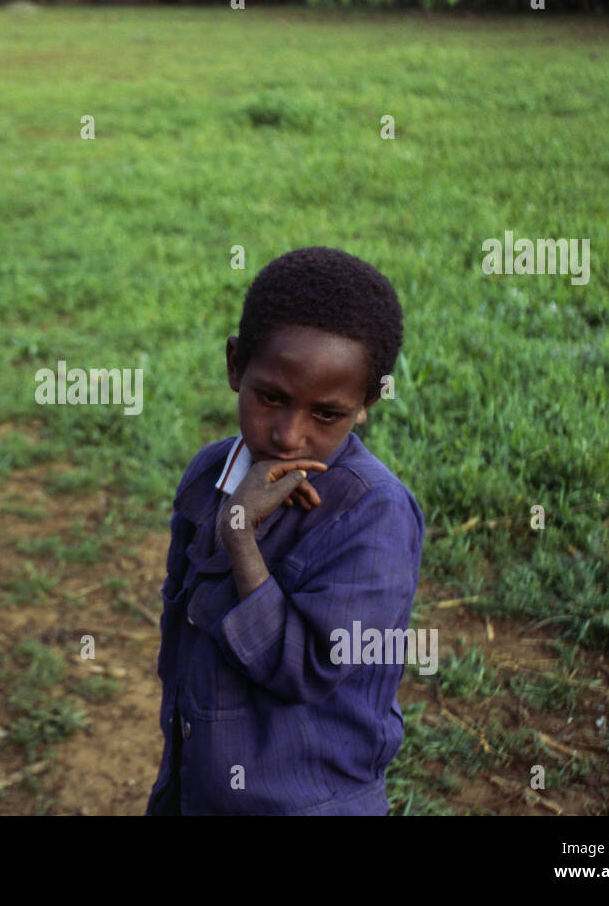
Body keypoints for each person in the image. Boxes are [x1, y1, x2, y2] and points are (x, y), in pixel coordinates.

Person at [146, 247, 425, 815]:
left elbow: (308, 667)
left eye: (326, 413)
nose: (289, 433)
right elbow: (180, 638)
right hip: (196, 788)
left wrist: (241, 537)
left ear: (366, 404)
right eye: (270, 397)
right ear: (234, 366)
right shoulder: (208, 476)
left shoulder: (373, 514)